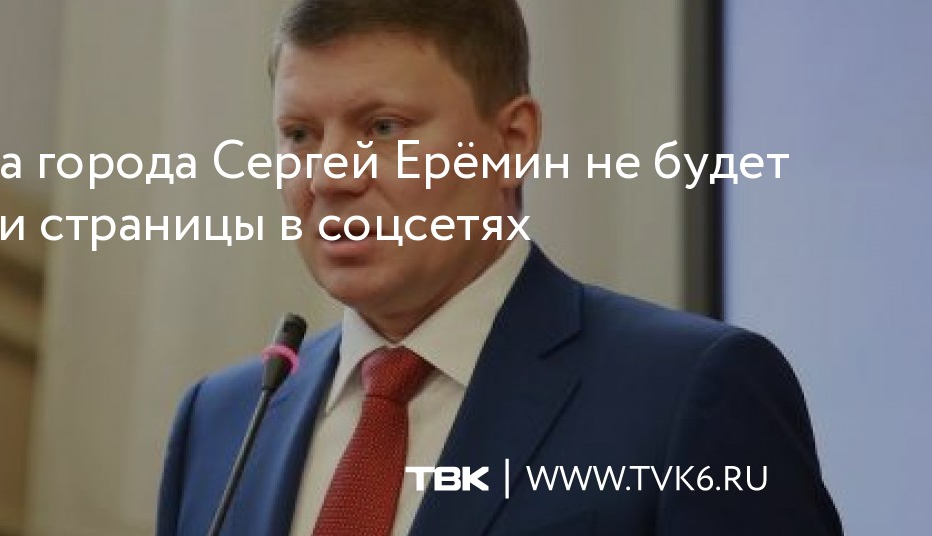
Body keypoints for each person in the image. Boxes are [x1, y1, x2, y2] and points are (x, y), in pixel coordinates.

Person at [156, 1, 842, 534]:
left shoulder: (687, 392)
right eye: (300, 134)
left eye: (383, 127)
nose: (330, 175)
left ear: (512, 140)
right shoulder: (220, 422)